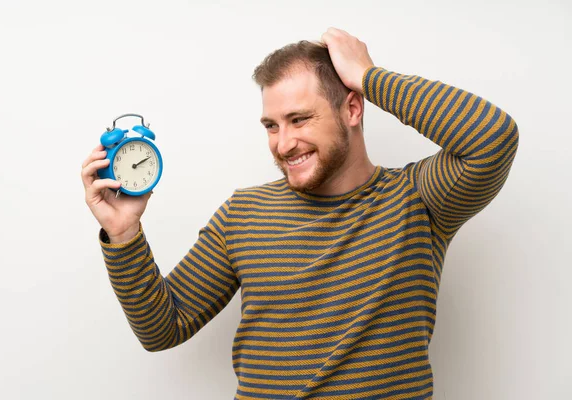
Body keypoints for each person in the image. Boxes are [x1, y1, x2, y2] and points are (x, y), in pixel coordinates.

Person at [81, 28, 519, 400]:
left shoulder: (417, 199)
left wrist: (371, 77)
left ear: (352, 107)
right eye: (272, 125)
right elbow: (163, 328)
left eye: (299, 119)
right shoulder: (243, 214)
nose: (283, 143)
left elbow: (492, 138)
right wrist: (124, 233)